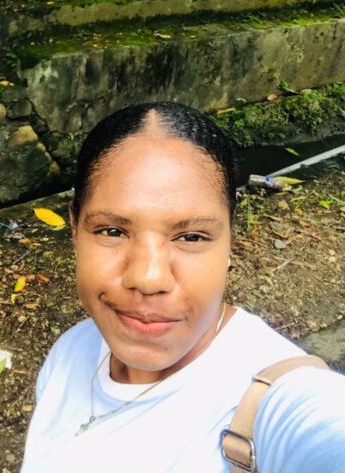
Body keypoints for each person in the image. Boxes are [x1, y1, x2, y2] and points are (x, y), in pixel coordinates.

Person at [20, 102, 345, 473]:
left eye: (191, 236)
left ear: (230, 236)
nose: (149, 278)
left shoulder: (283, 404)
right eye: (112, 231)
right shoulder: (70, 351)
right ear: (75, 227)